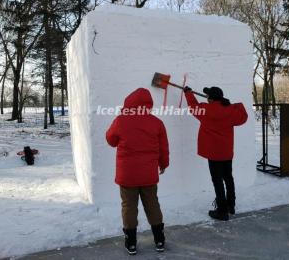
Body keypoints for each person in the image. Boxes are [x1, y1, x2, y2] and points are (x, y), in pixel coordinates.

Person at [106, 88, 169, 255]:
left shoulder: (121, 120)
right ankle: (159, 239)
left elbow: (111, 140)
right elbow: (164, 148)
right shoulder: (156, 122)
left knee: (128, 207)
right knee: (152, 204)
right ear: (148, 104)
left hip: (127, 175)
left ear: (129, 101)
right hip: (148, 174)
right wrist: (164, 163)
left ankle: (131, 242)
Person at [184, 86, 248, 221]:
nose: (206, 98)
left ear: (211, 99)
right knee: (228, 178)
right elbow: (243, 117)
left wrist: (188, 93)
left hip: (213, 153)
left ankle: (222, 211)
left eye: (208, 96)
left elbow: (193, 106)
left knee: (217, 181)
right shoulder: (230, 110)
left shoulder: (205, 110)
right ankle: (231, 205)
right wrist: (234, 104)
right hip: (226, 152)